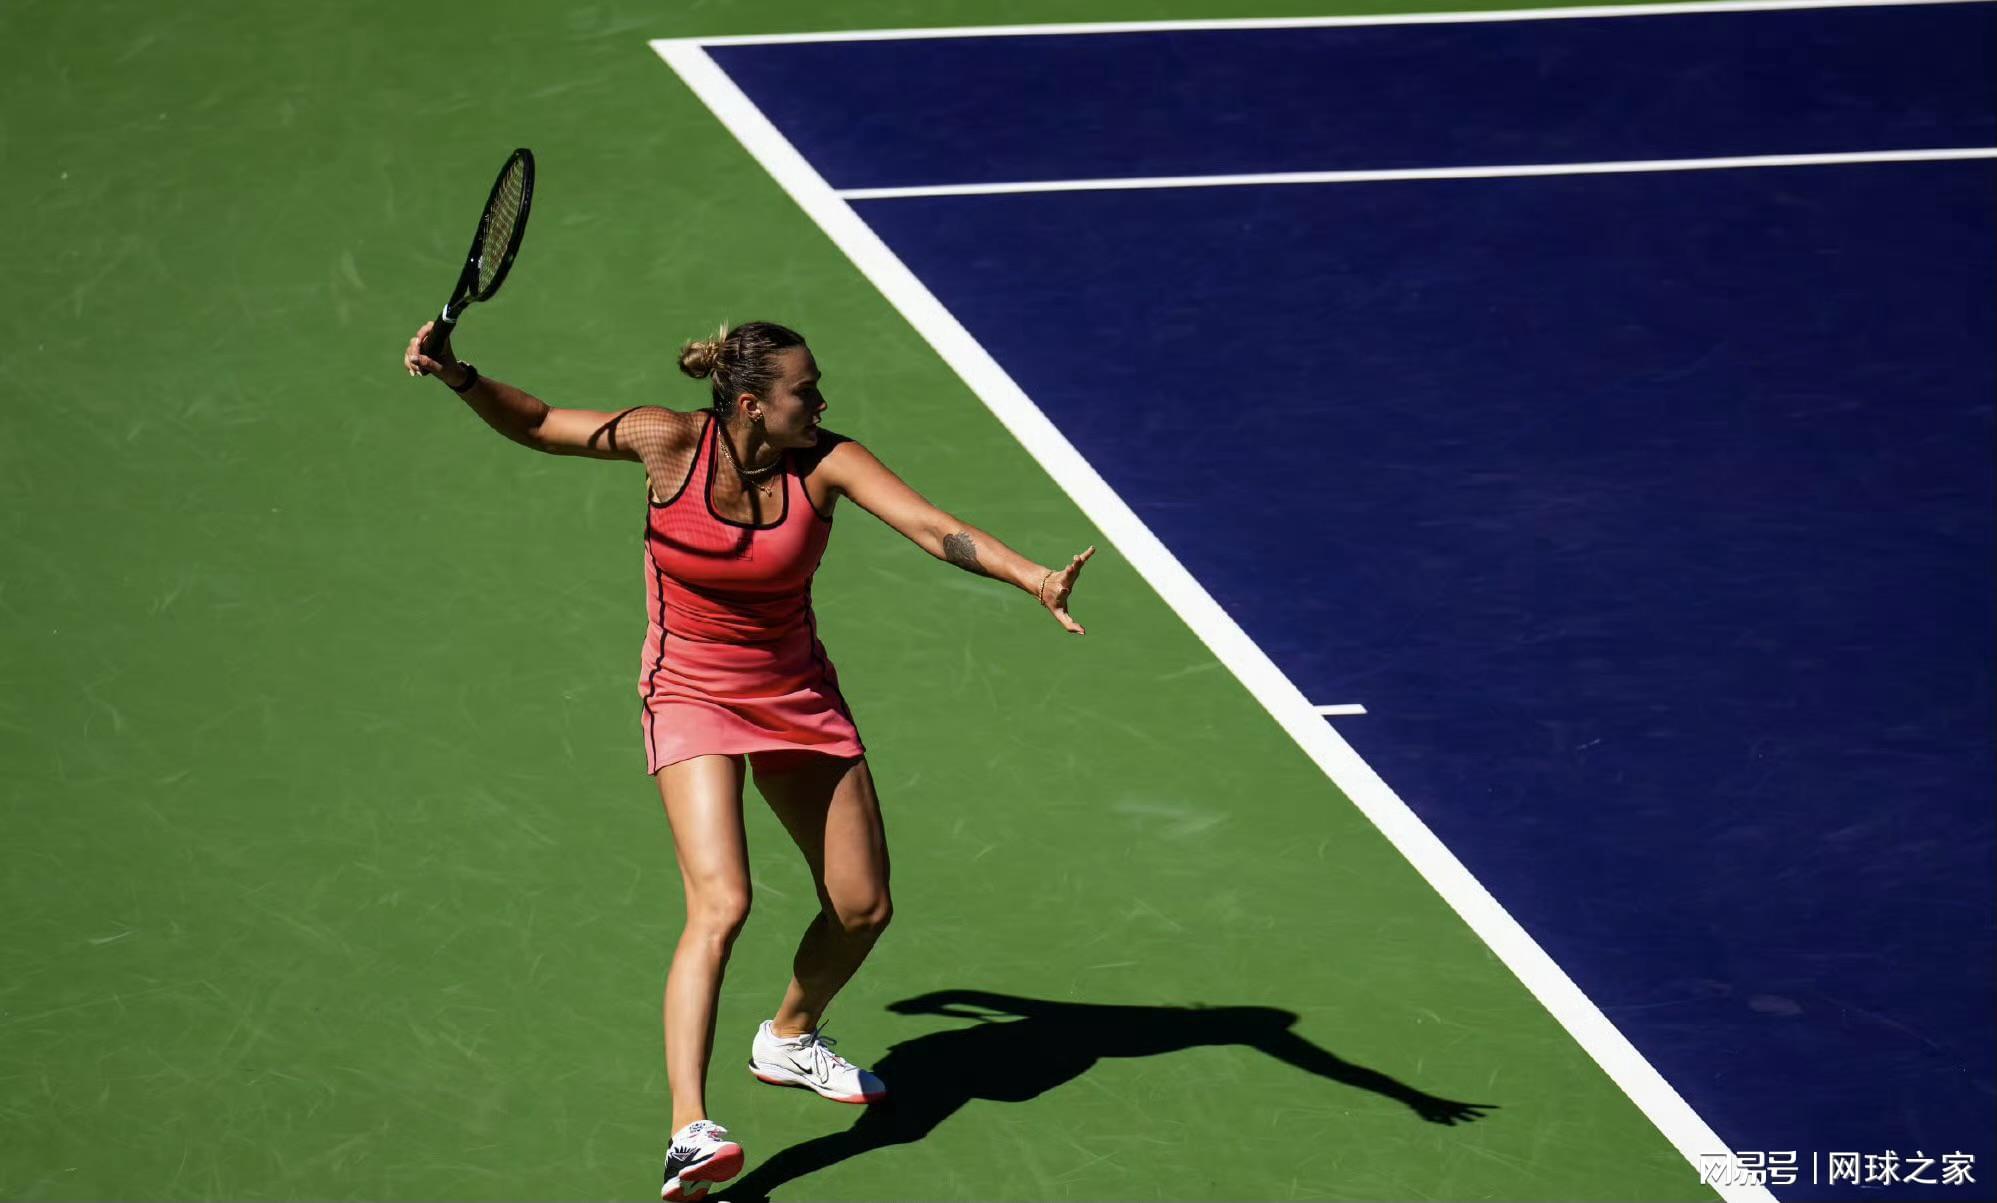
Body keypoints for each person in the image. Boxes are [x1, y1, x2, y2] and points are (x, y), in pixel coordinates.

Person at [402, 319, 1094, 1200]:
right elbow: (539, 423)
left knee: (862, 907)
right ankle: (689, 1129)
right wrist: (459, 375)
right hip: (689, 691)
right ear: (751, 404)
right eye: (806, 390)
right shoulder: (666, 441)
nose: (822, 403)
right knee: (721, 901)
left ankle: (788, 1037)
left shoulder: (830, 463)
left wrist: (1032, 576)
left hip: (796, 695)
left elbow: (934, 528)